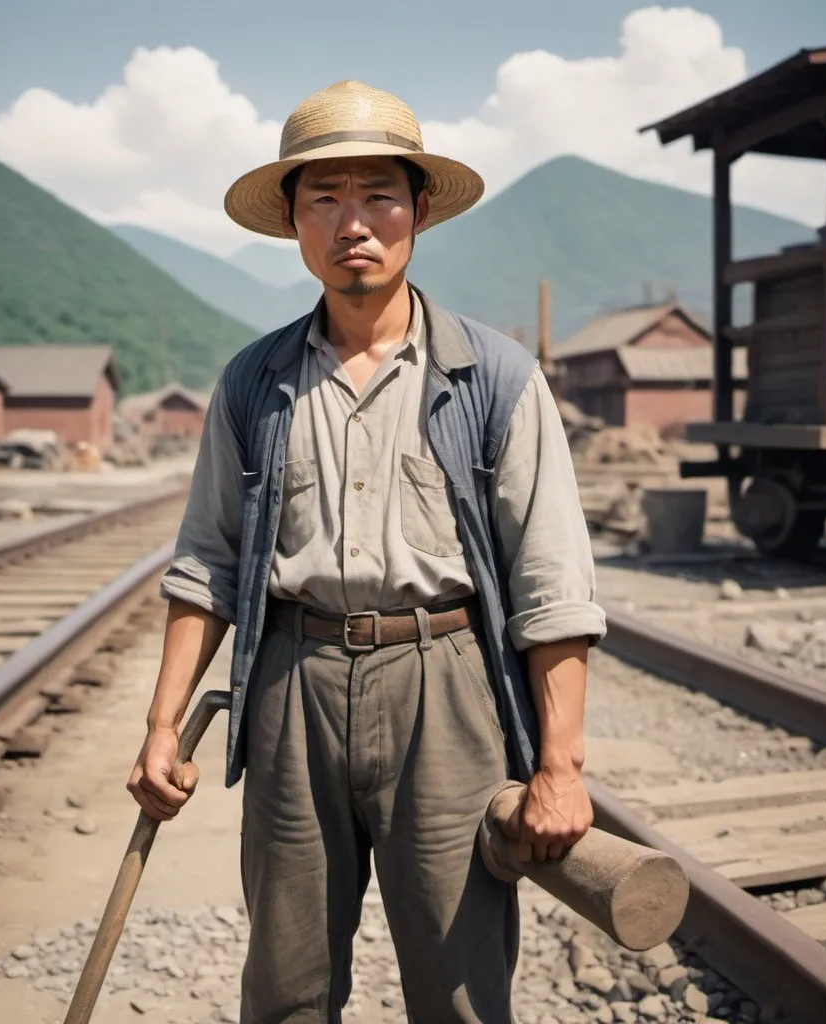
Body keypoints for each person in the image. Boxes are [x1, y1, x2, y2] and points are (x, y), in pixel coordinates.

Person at [126, 80, 606, 1023]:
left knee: (460, 983)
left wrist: (561, 766)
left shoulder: (493, 378)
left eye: (379, 195)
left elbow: (553, 583)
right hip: (290, 684)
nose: (355, 223)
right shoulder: (254, 383)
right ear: (294, 223)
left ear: (420, 211)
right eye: (326, 199)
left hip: (446, 685)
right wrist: (160, 722)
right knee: (286, 986)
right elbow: (207, 564)